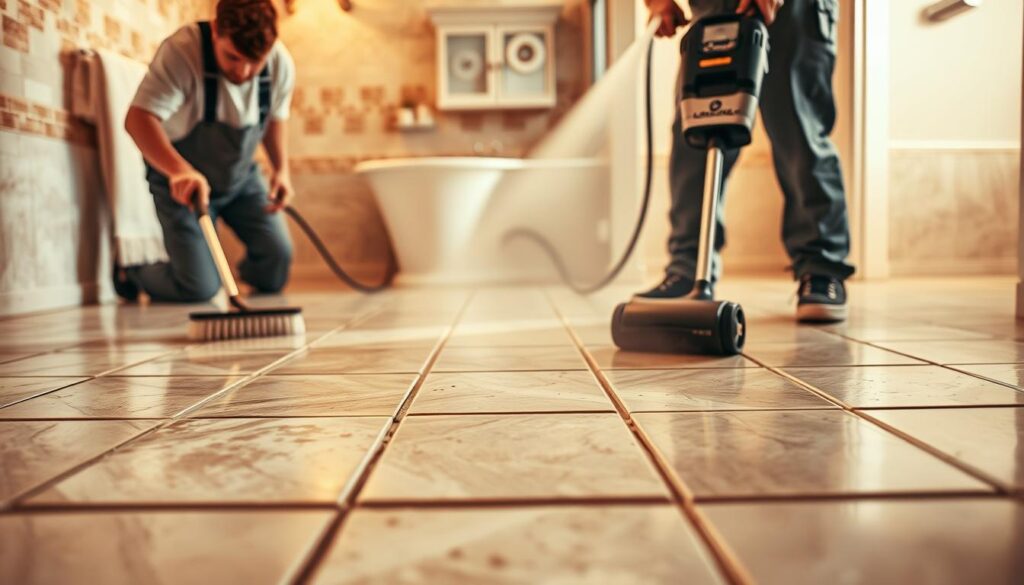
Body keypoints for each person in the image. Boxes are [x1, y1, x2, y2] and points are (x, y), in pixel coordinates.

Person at [642, 0, 854, 322]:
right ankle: (688, 269)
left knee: (799, 131)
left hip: (794, 11)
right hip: (712, 8)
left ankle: (821, 268)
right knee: (697, 132)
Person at [118, 0, 296, 303]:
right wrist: (179, 171)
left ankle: (230, 275)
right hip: (183, 185)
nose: (244, 71)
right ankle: (134, 273)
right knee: (198, 288)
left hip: (241, 179)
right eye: (233, 57)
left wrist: (282, 170)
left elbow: (275, 118)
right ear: (216, 31)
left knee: (277, 263)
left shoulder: (280, 63)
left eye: (255, 62)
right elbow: (137, 119)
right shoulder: (182, 51)